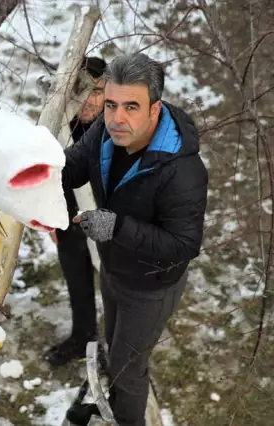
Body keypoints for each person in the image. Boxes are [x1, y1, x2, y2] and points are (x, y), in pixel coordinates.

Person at [60, 53, 208, 426]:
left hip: (150, 286)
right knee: (116, 348)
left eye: (131, 107)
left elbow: (184, 245)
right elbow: (72, 165)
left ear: (154, 109)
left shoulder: (181, 171)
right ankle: (115, 405)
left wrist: (117, 228)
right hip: (114, 268)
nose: (116, 118)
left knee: (129, 371)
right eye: (110, 104)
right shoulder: (106, 130)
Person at [43, 56, 107, 367]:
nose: (90, 101)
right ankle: (83, 337)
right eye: (83, 90)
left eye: (98, 91)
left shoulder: (114, 129)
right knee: (77, 282)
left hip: (106, 220)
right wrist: (51, 221)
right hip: (68, 220)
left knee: (113, 283)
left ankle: (119, 349)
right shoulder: (56, 125)